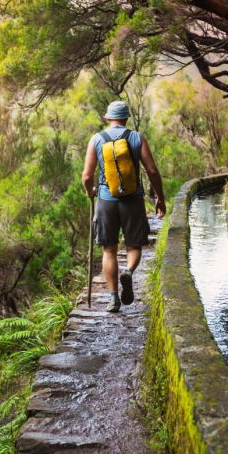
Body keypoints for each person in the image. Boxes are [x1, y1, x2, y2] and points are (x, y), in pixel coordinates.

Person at [81, 100, 166, 312]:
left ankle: (113, 299)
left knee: (109, 249)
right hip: (133, 200)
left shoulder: (97, 139)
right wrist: (160, 197)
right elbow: (152, 171)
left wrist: (90, 191)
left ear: (108, 118)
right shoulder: (137, 138)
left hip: (106, 201)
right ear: (126, 117)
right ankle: (128, 271)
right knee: (134, 246)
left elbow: (87, 176)